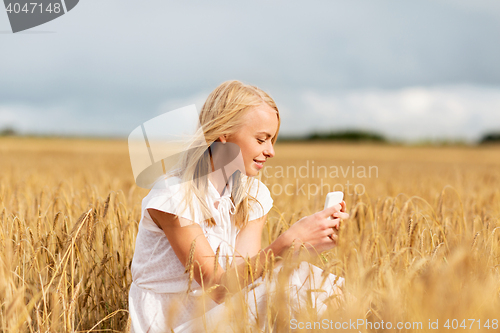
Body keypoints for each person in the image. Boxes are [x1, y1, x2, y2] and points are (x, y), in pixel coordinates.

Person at [128, 80, 349, 332]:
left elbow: (245, 281)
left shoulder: (252, 195)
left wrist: (306, 246)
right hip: (171, 325)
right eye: (261, 139)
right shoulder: (173, 194)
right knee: (291, 282)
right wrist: (288, 241)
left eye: (272, 140)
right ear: (224, 133)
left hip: (221, 319)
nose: (270, 151)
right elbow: (218, 288)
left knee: (308, 278)